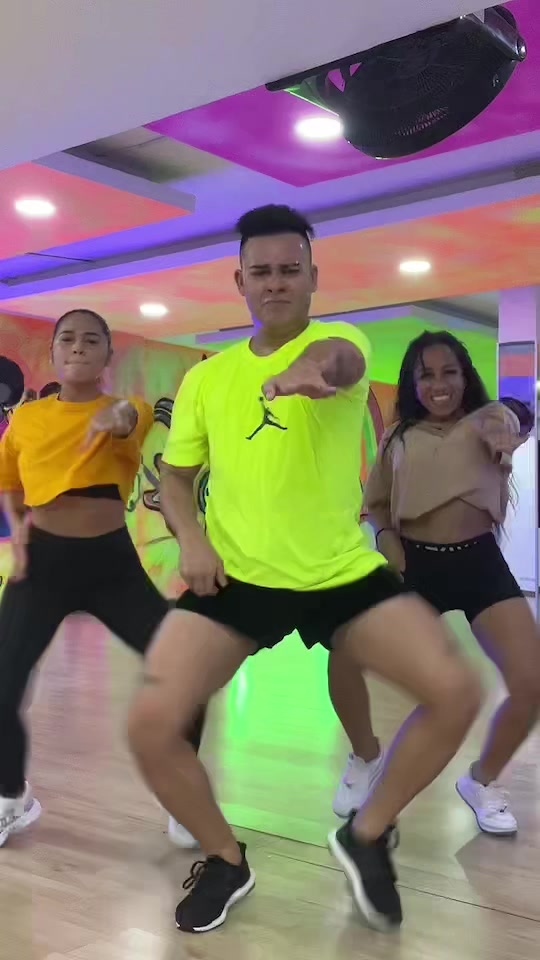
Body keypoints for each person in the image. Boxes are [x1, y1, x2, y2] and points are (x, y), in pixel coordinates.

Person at [127, 205, 482, 935]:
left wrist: (306, 373)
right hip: (237, 575)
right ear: (240, 282)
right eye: (261, 271)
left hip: (339, 571)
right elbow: (177, 479)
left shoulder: (342, 345)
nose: (276, 282)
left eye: (290, 269)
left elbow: (338, 362)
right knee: (150, 724)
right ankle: (225, 859)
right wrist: (191, 540)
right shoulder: (208, 379)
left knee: (456, 691)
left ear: (314, 276)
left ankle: (367, 834)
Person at [0, 308, 203, 849]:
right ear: (53, 352)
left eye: (92, 340)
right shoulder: (27, 420)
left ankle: (184, 796)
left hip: (111, 565)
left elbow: (128, 419)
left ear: (107, 355)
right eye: (67, 339)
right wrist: (17, 532)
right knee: (2, 683)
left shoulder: (128, 407)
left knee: (184, 670)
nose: (78, 347)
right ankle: (10, 797)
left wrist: (112, 420)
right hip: (42, 564)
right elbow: (10, 484)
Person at [329, 331, 540, 835]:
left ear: (465, 377)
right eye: (426, 375)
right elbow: (376, 504)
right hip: (414, 565)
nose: (438, 384)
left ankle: (481, 781)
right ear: (412, 383)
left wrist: (510, 414)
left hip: (480, 564)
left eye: (450, 372)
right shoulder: (397, 437)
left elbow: (518, 416)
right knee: (342, 650)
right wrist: (387, 541)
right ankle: (365, 756)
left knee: (532, 683)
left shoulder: (488, 421)